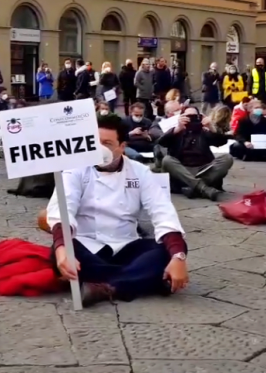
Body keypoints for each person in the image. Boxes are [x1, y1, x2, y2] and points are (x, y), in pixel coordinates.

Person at [46, 113, 188, 306]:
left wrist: (178, 257)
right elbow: (63, 209)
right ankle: (144, 279)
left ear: (122, 147)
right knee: (59, 250)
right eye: (95, 142)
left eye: (107, 143)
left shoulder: (140, 172)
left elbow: (162, 211)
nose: (99, 149)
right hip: (87, 244)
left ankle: (108, 286)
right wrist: (63, 250)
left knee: (171, 249)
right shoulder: (76, 169)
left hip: (126, 244)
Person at [159, 106, 233, 200]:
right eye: (188, 116)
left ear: (199, 117)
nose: (191, 118)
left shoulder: (203, 130)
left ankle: (194, 187)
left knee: (227, 158)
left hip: (203, 169)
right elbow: (161, 142)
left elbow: (221, 142)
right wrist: (177, 128)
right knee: (167, 160)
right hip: (182, 169)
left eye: (194, 116)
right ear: (181, 116)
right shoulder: (177, 130)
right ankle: (204, 188)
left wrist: (211, 127)